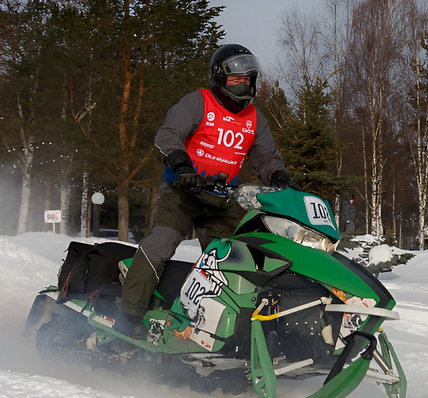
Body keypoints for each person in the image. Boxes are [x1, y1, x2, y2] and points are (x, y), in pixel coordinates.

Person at [118, 44, 298, 334]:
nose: (244, 84)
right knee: (162, 242)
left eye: (248, 79)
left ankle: (225, 328)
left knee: (235, 258)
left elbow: (265, 157)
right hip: (182, 191)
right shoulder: (198, 102)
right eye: (235, 79)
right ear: (219, 78)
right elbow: (168, 134)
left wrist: (280, 178)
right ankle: (129, 317)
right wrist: (182, 166)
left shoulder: (254, 118)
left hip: (222, 199)